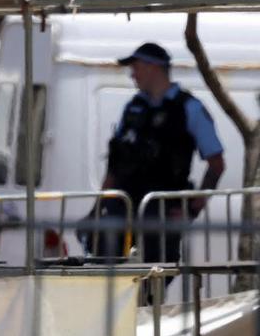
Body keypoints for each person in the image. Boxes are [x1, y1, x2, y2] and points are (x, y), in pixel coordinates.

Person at [90, 42, 224, 264]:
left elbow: (217, 164)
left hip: (161, 210)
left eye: (136, 67)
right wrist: (96, 210)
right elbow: (115, 164)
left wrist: (192, 210)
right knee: (105, 271)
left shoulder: (189, 108)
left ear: (152, 67)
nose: (132, 75)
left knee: (157, 273)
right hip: (123, 208)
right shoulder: (133, 107)